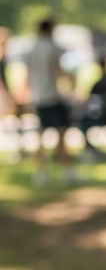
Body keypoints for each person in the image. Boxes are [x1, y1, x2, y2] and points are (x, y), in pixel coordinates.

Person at [23, 18, 78, 185]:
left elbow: (28, 76)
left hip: (39, 98)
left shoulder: (31, 50)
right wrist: (72, 82)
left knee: (41, 136)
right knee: (62, 134)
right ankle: (66, 171)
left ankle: (41, 173)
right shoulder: (50, 47)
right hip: (52, 97)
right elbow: (57, 69)